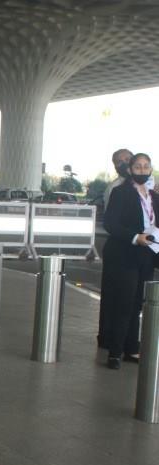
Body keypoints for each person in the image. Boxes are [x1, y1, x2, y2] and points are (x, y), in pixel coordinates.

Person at [103, 152, 158, 369]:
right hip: (124, 254)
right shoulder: (121, 192)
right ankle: (114, 352)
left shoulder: (154, 196)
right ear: (130, 170)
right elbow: (111, 224)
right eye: (138, 167)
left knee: (137, 304)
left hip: (147, 255)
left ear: (150, 169)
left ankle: (131, 349)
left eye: (146, 166)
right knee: (124, 303)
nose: (142, 170)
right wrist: (135, 237)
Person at [99, 148, 133, 349]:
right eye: (119, 161)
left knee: (131, 298)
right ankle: (107, 338)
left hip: (138, 249)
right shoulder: (115, 188)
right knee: (113, 295)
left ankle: (128, 340)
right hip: (119, 248)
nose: (125, 163)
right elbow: (112, 222)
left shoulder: (147, 186)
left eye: (128, 159)